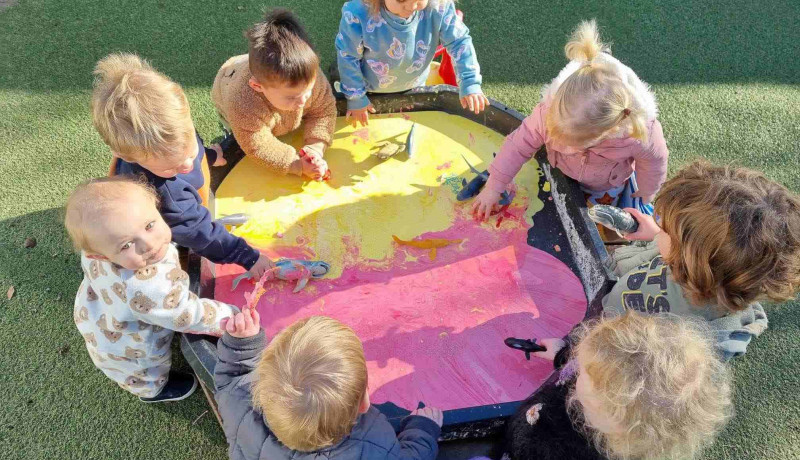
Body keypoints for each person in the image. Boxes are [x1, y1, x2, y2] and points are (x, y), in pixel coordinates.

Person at [91, 53, 273, 277]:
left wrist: (207, 155)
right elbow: (196, 230)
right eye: (171, 167)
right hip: (167, 224)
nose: (187, 165)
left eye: (189, 150)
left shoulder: (172, 134)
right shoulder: (167, 192)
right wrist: (245, 256)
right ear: (128, 157)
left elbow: (182, 151)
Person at [603, 160, 800, 360]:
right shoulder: (701, 266)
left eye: (665, 228)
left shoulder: (695, 340)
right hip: (613, 302)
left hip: (616, 345)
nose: (658, 223)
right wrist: (655, 233)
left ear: (692, 262)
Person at [473, 20, 668, 220]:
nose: (565, 143)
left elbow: (655, 162)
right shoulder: (548, 113)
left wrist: (647, 192)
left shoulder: (637, 132)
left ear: (607, 132)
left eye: (573, 143)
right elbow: (517, 146)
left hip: (607, 184)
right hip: (564, 171)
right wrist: (494, 187)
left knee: (597, 218)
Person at [65, 176, 237, 402]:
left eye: (149, 225)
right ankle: (152, 391)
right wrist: (230, 315)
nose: (149, 244)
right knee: (145, 368)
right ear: (99, 255)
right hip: (128, 343)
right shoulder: (148, 287)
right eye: (126, 245)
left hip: (99, 309)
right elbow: (187, 315)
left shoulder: (103, 244)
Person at [214, 312, 443, 460]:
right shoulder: (374, 445)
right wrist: (422, 429)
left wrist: (243, 343)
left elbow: (231, 378)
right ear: (363, 402)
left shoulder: (241, 408)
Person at [506, 312, 733, 460]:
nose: (577, 371)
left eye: (584, 372)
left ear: (616, 424)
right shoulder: (603, 390)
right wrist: (561, 355)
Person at [211, 9, 337, 180]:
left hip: (270, 76)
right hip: (228, 86)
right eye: (291, 97)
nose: (302, 101)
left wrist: (315, 147)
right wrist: (296, 164)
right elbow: (258, 146)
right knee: (241, 134)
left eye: (308, 91)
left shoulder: (308, 75)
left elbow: (325, 110)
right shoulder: (241, 104)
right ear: (258, 86)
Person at [336, 0, 488, 127]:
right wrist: (355, 97)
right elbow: (348, 56)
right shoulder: (358, 13)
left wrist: (469, 81)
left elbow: (459, 41)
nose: (411, 7)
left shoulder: (438, 5)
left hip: (415, 86)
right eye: (401, 0)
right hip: (369, 90)